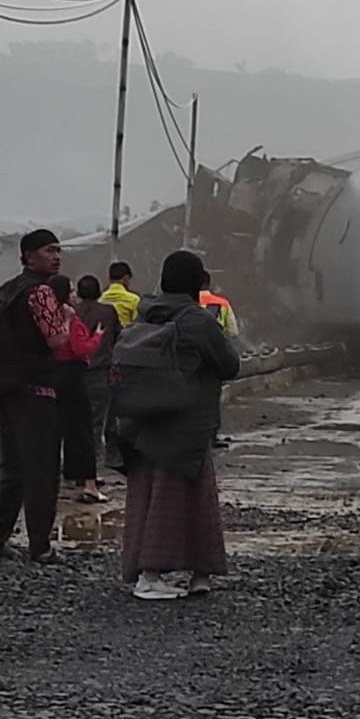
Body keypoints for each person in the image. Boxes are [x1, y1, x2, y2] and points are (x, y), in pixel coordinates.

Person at [118, 250, 240, 600]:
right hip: (186, 422)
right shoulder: (197, 321)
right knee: (193, 499)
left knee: (148, 498)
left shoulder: (144, 314)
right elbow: (229, 365)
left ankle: (150, 571)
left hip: (141, 421)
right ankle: (187, 576)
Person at [0, 229, 69, 564]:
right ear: (29, 256)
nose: (56, 256)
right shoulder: (40, 292)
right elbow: (57, 341)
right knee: (41, 468)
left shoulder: (8, 289)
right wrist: (68, 318)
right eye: (48, 250)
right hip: (37, 390)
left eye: (58, 250)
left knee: (11, 467)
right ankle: (41, 546)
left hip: (7, 388)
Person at [49, 275, 107, 504]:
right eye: (70, 290)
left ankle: (58, 479)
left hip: (51, 376)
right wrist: (97, 337)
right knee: (82, 430)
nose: (74, 295)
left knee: (55, 430)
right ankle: (89, 485)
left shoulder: (45, 316)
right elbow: (80, 348)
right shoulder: (69, 317)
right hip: (72, 375)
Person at [75, 275, 122, 473]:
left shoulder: (73, 313)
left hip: (75, 373)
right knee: (100, 421)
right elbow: (118, 336)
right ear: (99, 292)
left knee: (77, 421)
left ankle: (77, 465)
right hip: (101, 373)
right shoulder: (108, 312)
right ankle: (94, 466)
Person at [199, 272, 239, 448]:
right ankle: (211, 435)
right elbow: (233, 332)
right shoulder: (221, 303)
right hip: (213, 355)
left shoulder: (186, 302)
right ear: (209, 283)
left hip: (188, 356)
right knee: (212, 396)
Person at [199, 272, 239, 338]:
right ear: (208, 284)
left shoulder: (189, 302)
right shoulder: (223, 303)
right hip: (216, 344)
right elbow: (234, 333)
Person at [100, 261, 140, 328]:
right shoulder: (134, 299)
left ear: (109, 279)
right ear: (126, 278)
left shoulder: (100, 299)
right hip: (127, 336)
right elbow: (137, 323)